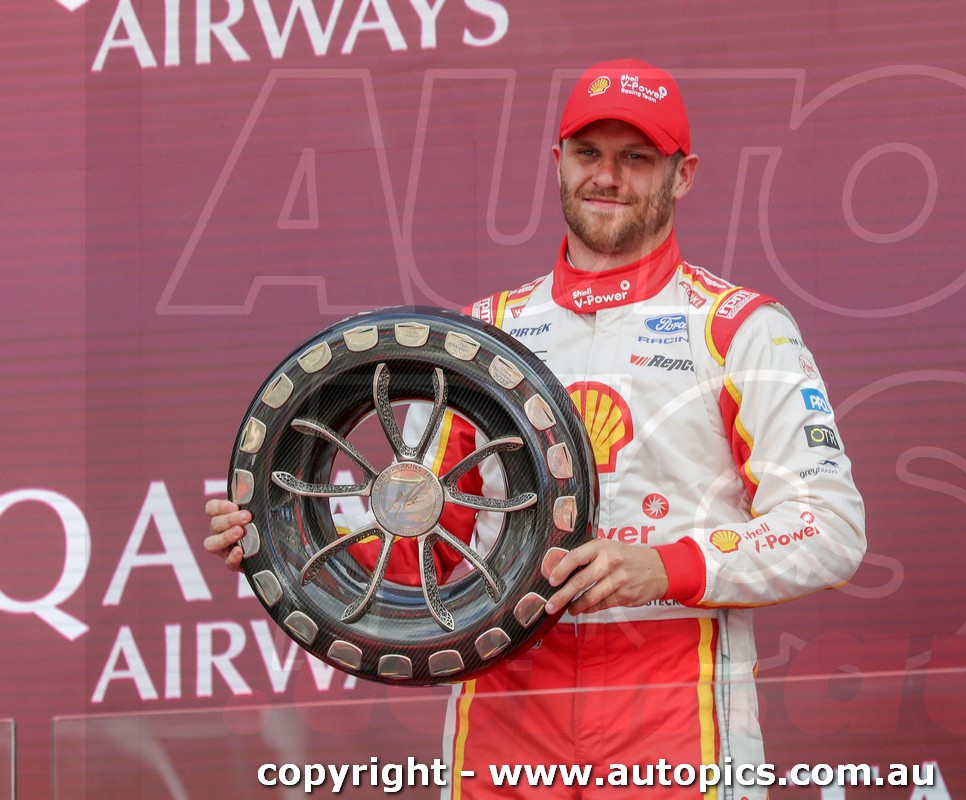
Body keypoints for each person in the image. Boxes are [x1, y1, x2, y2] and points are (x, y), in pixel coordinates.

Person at [205, 59, 866, 799]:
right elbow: (426, 547)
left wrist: (667, 566)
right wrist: (288, 538)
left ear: (682, 175)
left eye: (636, 157)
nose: (606, 176)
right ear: (558, 161)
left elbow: (830, 529)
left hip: (674, 698)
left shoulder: (739, 329)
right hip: (505, 701)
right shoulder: (480, 340)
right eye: (588, 153)